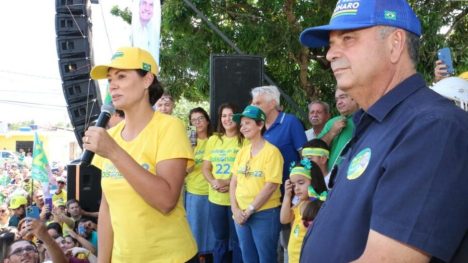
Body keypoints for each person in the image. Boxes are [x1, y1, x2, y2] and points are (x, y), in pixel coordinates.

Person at [299, 0, 468, 262]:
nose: (331, 54)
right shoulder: (373, 123)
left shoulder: (433, 127)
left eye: (348, 39)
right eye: (331, 44)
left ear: (395, 44)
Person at [84, 47, 197, 262]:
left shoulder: (169, 127)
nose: (112, 85)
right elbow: (107, 208)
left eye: (122, 76)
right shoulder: (112, 136)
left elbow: (166, 200)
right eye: (110, 79)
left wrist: (114, 152)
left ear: (147, 80)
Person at [250, 85, 307, 262]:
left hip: (287, 198)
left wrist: (301, 192)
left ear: (273, 103)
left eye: (258, 102)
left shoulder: (290, 122)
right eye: (252, 102)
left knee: (289, 246)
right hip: (263, 200)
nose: (253, 106)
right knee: (268, 250)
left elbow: (305, 158)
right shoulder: (257, 128)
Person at [230, 105, 283, 263]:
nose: (243, 127)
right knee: (248, 258)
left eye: (247, 123)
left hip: (264, 214)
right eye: (241, 124)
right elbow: (233, 182)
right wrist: (235, 209)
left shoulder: (272, 152)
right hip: (240, 214)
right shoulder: (242, 152)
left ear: (260, 125)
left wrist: (250, 210)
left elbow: (271, 186)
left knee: (266, 258)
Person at [202, 103, 243, 263]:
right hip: (216, 198)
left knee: (237, 240)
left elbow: (245, 168)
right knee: (220, 239)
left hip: (237, 199)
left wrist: (227, 182)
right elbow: (206, 168)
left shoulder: (244, 140)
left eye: (231, 115)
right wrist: (214, 182)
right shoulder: (213, 140)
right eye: (224, 115)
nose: (227, 119)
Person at [280, 159, 327, 263]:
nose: (296, 188)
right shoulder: (299, 204)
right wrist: (287, 196)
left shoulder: (319, 207)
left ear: (314, 181)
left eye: (301, 183)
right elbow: (284, 219)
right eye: (293, 185)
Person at [185, 107, 215, 262]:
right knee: (196, 231)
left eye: (201, 118)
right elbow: (184, 168)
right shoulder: (187, 141)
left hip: (215, 192)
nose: (198, 122)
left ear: (207, 120)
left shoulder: (216, 139)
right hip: (195, 192)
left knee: (213, 233)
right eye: (194, 120)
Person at [318, 88, 358, 172]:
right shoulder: (332, 122)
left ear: (354, 96)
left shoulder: (367, 120)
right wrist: (331, 133)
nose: (339, 102)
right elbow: (314, 150)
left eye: (342, 97)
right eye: (337, 100)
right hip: (330, 179)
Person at [130, 0, 161, 65]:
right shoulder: (128, 31)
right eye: (144, 3)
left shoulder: (155, 33)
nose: (147, 8)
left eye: (151, 5)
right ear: (138, 6)